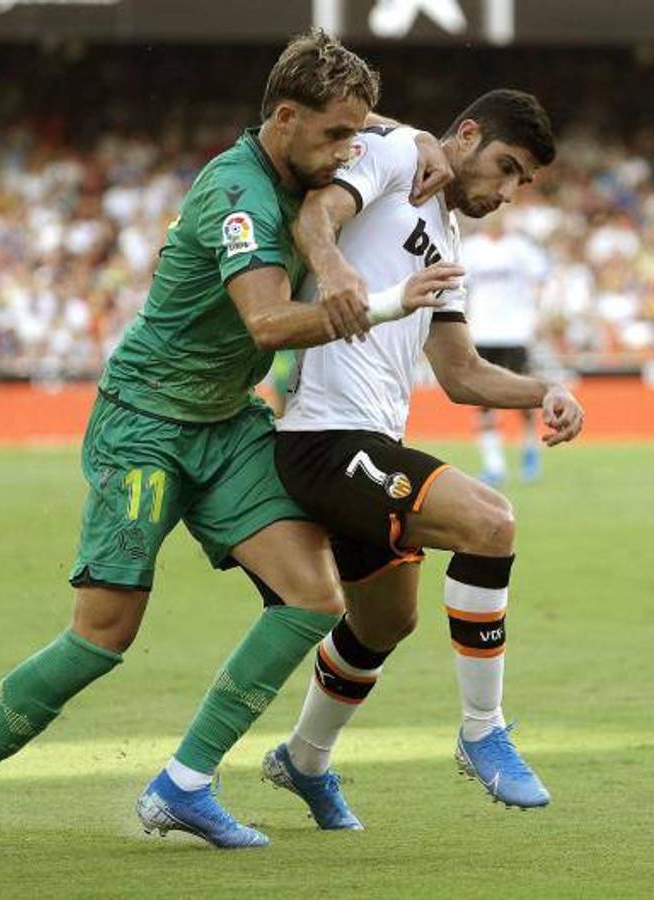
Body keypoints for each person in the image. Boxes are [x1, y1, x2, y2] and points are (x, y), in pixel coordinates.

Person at [0, 28, 460, 857]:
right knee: (104, 634)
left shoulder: (310, 161)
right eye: (336, 134)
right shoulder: (236, 193)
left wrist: (420, 140)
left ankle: (185, 786)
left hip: (225, 423)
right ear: (283, 118)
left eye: (357, 134)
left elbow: (383, 134)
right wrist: (388, 302)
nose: (348, 151)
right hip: (147, 426)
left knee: (311, 598)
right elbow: (269, 322)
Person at [261, 89, 583, 830]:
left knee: (383, 623)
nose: (505, 193)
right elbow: (315, 215)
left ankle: (303, 761)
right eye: (504, 167)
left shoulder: (449, 244)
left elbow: (461, 372)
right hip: (321, 434)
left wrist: (546, 390)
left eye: (520, 184)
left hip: (369, 439)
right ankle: (483, 730)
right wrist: (338, 273)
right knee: (489, 522)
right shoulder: (395, 155)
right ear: (464, 135)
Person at [462, 211, 551, 485]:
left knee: (523, 396)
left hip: (515, 333)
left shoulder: (521, 248)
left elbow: (541, 279)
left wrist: (534, 313)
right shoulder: (470, 249)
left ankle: (529, 449)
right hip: (482, 333)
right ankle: (494, 463)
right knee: (484, 400)